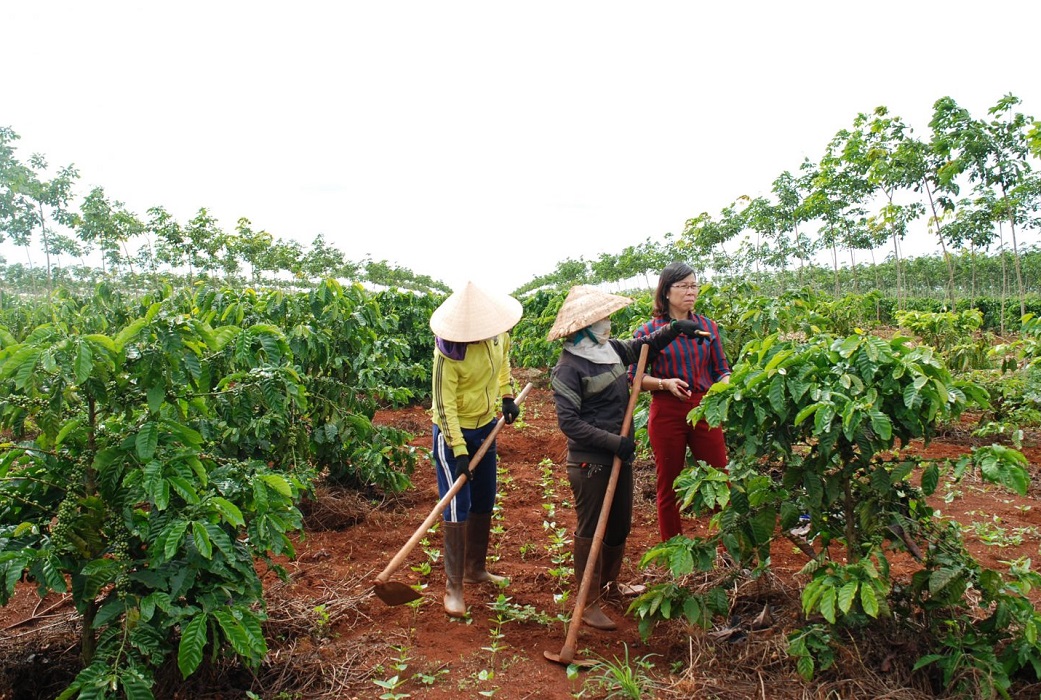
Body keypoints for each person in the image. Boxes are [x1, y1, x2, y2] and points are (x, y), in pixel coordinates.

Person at [548, 285, 705, 630]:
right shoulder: (569, 368)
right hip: (590, 461)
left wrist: (674, 329)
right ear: (583, 327)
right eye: (601, 319)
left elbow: (640, 349)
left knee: (619, 525)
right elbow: (569, 423)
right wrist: (612, 442)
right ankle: (587, 603)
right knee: (593, 530)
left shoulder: (609, 350)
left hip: (620, 454)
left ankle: (609, 586)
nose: (608, 324)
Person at [429, 281, 523, 618]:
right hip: (453, 433)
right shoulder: (448, 354)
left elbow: (503, 365)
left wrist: (507, 395)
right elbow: (444, 406)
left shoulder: (498, 336)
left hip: (486, 427)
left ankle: (475, 568)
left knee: (485, 497)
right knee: (458, 505)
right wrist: (458, 450)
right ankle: (453, 587)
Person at [632, 262, 731, 542]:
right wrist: (665, 384)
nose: (691, 292)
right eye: (684, 286)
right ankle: (673, 548)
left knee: (719, 477)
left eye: (694, 286)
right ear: (666, 291)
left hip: (703, 409)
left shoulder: (707, 327)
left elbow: (721, 369)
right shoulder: (649, 331)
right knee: (669, 484)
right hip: (666, 411)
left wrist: (722, 389)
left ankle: (727, 550)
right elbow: (635, 378)